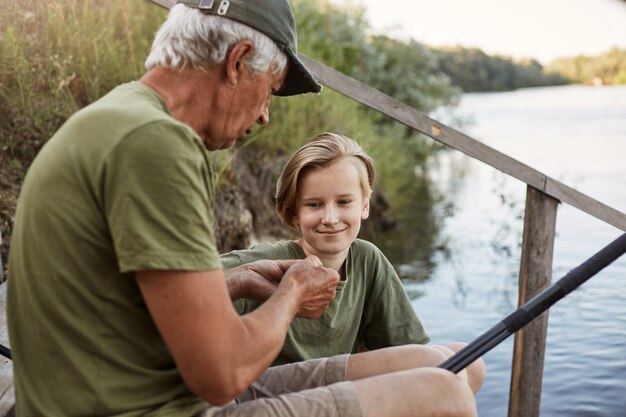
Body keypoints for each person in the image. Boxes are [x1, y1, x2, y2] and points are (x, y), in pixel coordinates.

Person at [7, 1, 483, 416]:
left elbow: (118, 293)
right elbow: (222, 373)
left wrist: (236, 279)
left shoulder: (123, 114)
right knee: (444, 394)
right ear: (237, 62)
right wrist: (291, 294)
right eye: (270, 91)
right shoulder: (155, 143)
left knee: (444, 362)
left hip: (155, 388)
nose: (264, 116)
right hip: (145, 406)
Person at [222, 133, 432, 365]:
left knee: (462, 360)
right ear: (294, 214)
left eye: (343, 202)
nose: (330, 218)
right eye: (314, 204)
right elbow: (187, 287)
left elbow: (408, 349)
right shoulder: (262, 261)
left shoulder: (368, 259)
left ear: (364, 206)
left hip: (333, 384)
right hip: (278, 390)